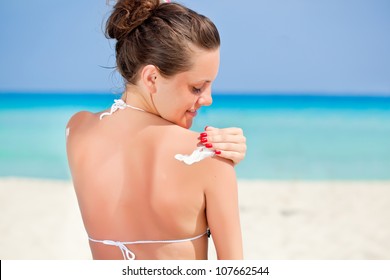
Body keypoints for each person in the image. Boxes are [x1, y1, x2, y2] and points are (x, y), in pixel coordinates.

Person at [66, 0, 246, 260]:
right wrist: (222, 164)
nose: (208, 99)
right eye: (197, 87)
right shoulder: (208, 156)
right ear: (152, 78)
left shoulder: (77, 130)